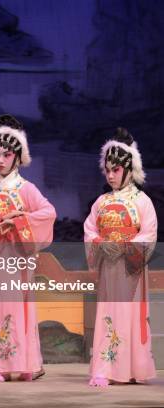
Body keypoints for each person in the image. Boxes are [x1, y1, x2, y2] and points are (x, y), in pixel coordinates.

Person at [0, 115, 55, 382]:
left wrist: (19, 221)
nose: (0, 160)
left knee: (19, 309)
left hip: (17, 260)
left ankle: (25, 364)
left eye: (7, 154)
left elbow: (48, 213)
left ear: (18, 157)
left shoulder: (26, 189)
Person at [84, 128, 157, 387]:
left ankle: (132, 369)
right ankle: (104, 369)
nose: (111, 175)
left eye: (116, 170)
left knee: (128, 316)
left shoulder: (143, 201)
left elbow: (148, 233)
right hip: (109, 268)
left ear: (129, 170)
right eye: (108, 170)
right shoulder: (101, 201)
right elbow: (90, 228)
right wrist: (100, 242)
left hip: (130, 270)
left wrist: (126, 246)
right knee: (108, 315)